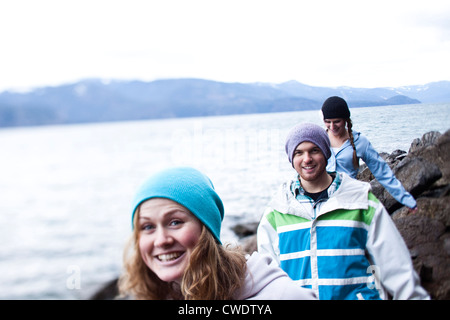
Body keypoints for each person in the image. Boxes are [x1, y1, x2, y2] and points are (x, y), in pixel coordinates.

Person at [257, 123, 429, 300]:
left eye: (314, 150)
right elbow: (269, 284)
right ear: (291, 159)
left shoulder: (362, 202)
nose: (307, 158)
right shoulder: (277, 212)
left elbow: (397, 269)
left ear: (326, 152)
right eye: (299, 153)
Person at [118, 166, 316, 300]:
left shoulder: (279, 294)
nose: (161, 240)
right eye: (147, 227)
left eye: (175, 222)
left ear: (207, 228)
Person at [321, 96, 417, 210]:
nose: (332, 126)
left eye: (337, 121)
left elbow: (382, 172)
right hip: (322, 202)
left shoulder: (360, 142)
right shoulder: (319, 139)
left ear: (346, 119)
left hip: (349, 202)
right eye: (328, 122)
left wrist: (407, 200)